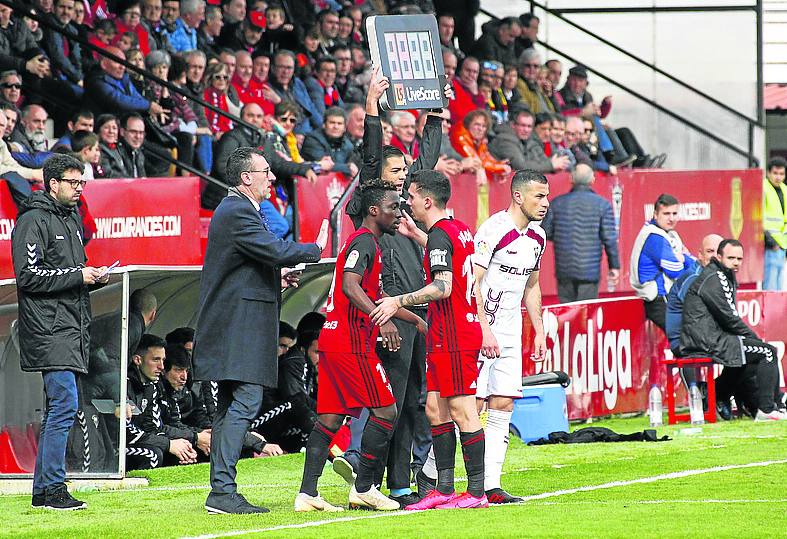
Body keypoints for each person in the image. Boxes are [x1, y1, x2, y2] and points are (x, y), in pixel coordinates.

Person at [193, 146, 328, 515]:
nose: (272, 177)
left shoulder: (237, 210)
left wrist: (277, 277)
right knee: (248, 400)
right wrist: (313, 249)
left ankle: (221, 490)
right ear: (246, 177)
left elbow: (248, 265)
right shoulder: (238, 210)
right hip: (237, 329)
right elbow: (272, 248)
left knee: (226, 409)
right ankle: (222, 491)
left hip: (232, 326)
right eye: (266, 171)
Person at [336, 71, 443, 505]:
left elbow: (427, 165)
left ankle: (398, 483)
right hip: (387, 315)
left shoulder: (405, 205)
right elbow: (370, 156)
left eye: (404, 172)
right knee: (389, 401)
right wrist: (373, 107)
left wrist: (433, 118)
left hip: (416, 316)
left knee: (413, 402)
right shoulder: (373, 203)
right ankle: (365, 477)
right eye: (394, 170)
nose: (402, 177)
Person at [297, 178, 427, 512]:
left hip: (335, 340)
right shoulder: (364, 243)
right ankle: (364, 487)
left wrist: (413, 320)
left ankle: (307, 494)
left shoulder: (372, 243)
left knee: (329, 419)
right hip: (350, 343)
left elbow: (374, 294)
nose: (399, 213)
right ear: (373, 210)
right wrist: (381, 320)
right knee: (386, 410)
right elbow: (350, 287)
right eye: (392, 207)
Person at [371, 170, 487, 510]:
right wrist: (417, 235)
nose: (406, 201)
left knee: (463, 410)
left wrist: (398, 300)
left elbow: (443, 286)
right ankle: (446, 489)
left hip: (453, 334)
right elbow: (451, 255)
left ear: (426, 200)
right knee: (435, 408)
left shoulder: (440, 236)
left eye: (411, 196)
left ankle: (477, 492)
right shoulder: (456, 228)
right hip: (446, 333)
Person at [12, 153, 110, 510]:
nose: (79, 188)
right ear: (52, 184)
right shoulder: (33, 220)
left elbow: (69, 274)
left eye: (82, 182)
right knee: (64, 403)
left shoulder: (70, 220)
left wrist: (91, 277)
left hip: (69, 326)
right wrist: (77, 276)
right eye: (73, 182)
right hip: (48, 328)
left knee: (60, 406)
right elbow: (28, 276)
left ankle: (44, 490)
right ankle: (53, 488)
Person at [467, 170, 549, 504]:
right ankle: (433, 478)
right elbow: (473, 282)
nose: (544, 203)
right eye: (538, 196)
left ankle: (491, 485)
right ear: (518, 196)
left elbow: (532, 285)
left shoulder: (538, 237)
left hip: (511, 329)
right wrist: (485, 328)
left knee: (503, 402)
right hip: (481, 327)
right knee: (470, 405)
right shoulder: (493, 231)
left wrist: (540, 331)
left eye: (546, 196)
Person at [680, 240, 785, 421]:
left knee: (747, 359)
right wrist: (754, 337)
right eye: (731, 258)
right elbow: (729, 317)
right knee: (767, 352)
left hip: (712, 337)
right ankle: (767, 409)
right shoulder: (715, 278)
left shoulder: (721, 275)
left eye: (739, 258)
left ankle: (715, 392)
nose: (736, 262)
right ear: (719, 257)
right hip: (706, 340)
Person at [541, 164, 620, 302]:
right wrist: (614, 266)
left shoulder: (556, 203)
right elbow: (610, 239)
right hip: (590, 272)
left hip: (564, 270)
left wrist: (562, 236)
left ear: (571, 179)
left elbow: (545, 232)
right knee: (586, 314)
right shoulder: (603, 205)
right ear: (592, 180)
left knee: (567, 315)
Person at [665, 234, 723, 393]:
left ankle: (717, 394)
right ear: (700, 255)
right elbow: (695, 315)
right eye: (709, 251)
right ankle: (702, 396)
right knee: (739, 350)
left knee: (747, 352)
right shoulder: (694, 277)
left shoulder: (718, 277)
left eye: (717, 252)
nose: (713, 257)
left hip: (702, 336)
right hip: (685, 341)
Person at [630, 193, 695, 331]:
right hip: (657, 298)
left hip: (669, 296)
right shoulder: (654, 236)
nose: (671, 218)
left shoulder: (670, 234)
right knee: (684, 338)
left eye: (674, 213)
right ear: (655, 214)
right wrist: (683, 261)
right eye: (666, 213)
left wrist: (684, 259)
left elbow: (692, 262)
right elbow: (675, 270)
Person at [488, 108, 569, 173]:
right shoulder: (505, 139)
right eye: (523, 125)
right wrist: (551, 165)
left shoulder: (527, 139)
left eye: (529, 126)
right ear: (513, 125)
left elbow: (539, 160)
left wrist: (554, 164)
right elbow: (521, 166)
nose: (526, 130)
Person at [300, 107, 359, 178]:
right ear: (324, 125)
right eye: (332, 122)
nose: (336, 126)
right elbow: (325, 165)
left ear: (345, 128)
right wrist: (347, 168)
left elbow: (354, 166)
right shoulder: (312, 139)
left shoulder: (348, 145)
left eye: (339, 123)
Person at [763, 157, 787, 290]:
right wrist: (770, 241)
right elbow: (758, 218)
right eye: (775, 173)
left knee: (778, 287)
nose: (778, 177)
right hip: (769, 246)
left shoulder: (785, 190)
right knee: (770, 286)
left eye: (781, 174)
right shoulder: (763, 188)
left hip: (782, 246)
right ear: (768, 173)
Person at [118, 113, 147, 178]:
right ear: (122, 132)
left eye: (141, 133)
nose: (138, 136)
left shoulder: (138, 153)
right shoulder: (115, 154)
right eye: (133, 132)